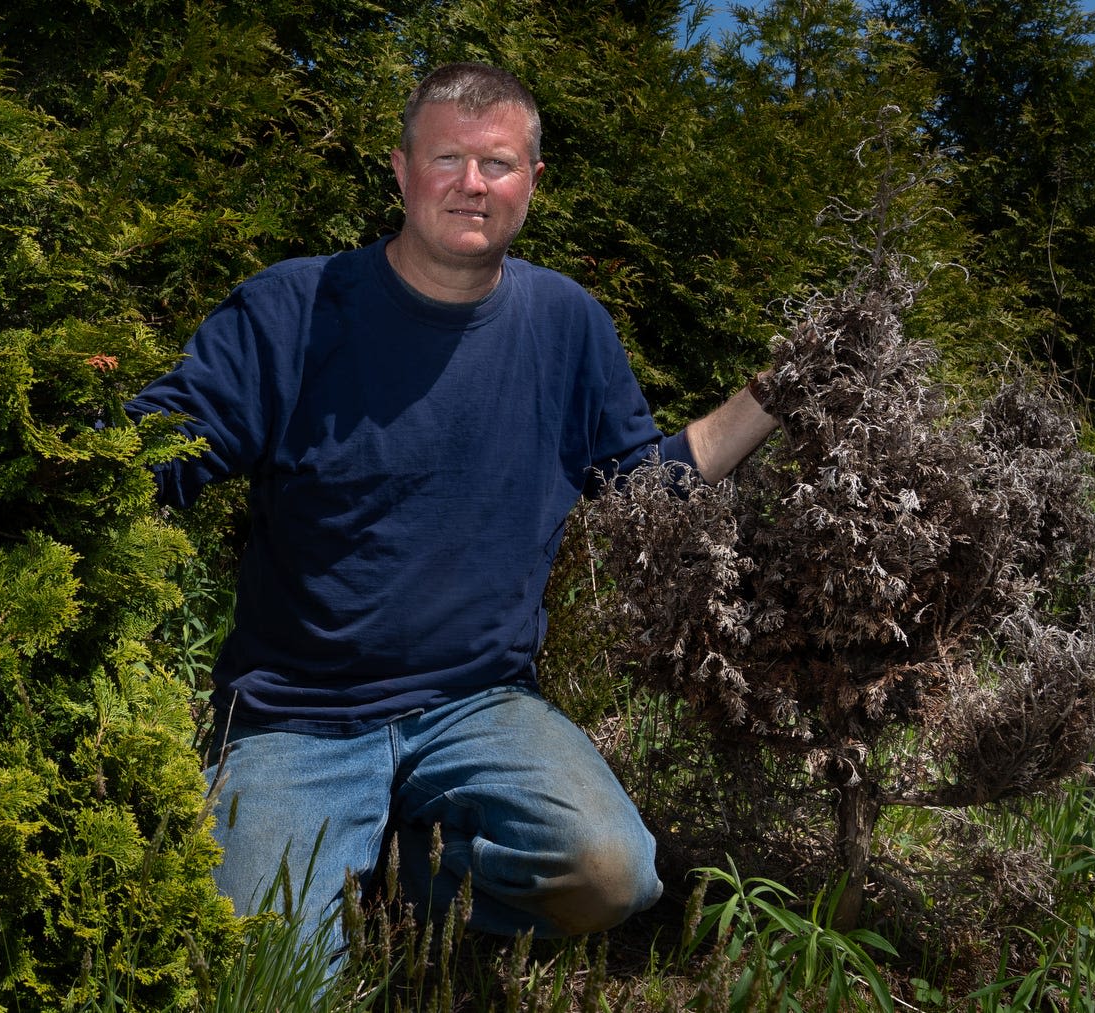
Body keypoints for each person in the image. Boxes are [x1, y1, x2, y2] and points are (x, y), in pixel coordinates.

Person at [126, 62, 778, 960]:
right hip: (293, 716)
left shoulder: (567, 324)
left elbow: (637, 489)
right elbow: (169, 443)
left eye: (498, 164)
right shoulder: (293, 308)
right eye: (447, 159)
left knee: (612, 873)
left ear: (532, 184)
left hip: (480, 703)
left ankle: (405, 886)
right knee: (265, 975)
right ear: (399, 171)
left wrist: (772, 395)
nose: (472, 185)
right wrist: (56, 453)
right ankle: (330, 882)